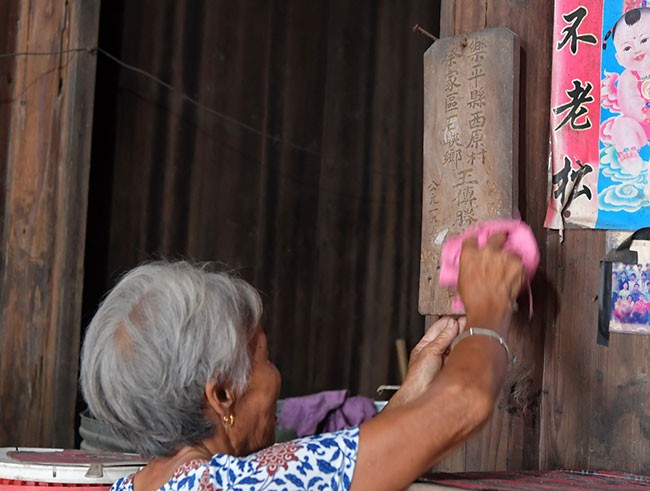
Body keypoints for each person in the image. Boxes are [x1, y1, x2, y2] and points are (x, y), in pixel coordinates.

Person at [80, 233, 525, 491]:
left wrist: (411, 392)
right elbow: (465, 401)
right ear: (221, 395)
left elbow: (356, 463)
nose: (276, 376)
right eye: (264, 358)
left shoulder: (133, 486)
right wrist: (488, 311)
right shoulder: (247, 484)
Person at [601, 6, 650, 175]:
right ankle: (631, 157)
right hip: (641, 126)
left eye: (644, 40)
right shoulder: (627, 79)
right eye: (627, 48)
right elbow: (629, 105)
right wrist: (643, 114)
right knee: (621, 125)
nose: (637, 49)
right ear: (619, 58)